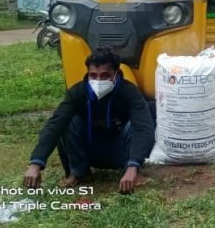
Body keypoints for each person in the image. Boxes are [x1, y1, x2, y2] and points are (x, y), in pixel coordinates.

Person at [23, 47, 155, 193]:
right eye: (93, 75)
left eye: (105, 75)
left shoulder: (129, 92)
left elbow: (144, 128)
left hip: (120, 151)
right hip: (89, 150)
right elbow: (55, 124)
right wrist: (36, 163)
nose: (98, 80)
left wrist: (133, 165)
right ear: (88, 74)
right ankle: (80, 173)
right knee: (68, 120)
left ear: (116, 74)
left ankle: (133, 172)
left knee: (136, 124)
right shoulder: (77, 93)